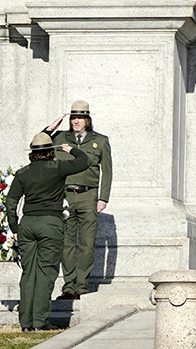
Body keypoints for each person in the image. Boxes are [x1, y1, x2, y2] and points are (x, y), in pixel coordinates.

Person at [5, 133, 89, 330]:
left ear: (32, 153)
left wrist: (14, 227)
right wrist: (70, 150)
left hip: (27, 224)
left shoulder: (22, 173)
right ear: (50, 151)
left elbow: (11, 203)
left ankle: (25, 323)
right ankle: (40, 321)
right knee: (45, 273)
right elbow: (84, 161)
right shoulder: (58, 167)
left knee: (28, 274)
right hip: (50, 224)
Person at [42, 100, 112, 300]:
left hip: (89, 195)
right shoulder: (61, 138)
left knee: (87, 243)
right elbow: (36, 145)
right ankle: (69, 286)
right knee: (66, 243)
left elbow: (107, 171)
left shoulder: (100, 140)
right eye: (73, 118)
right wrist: (50, 129)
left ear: (87, 120)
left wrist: (103, 197)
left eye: (80, 118)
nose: (76, 121)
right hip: (65, 196)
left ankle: (82, 285)